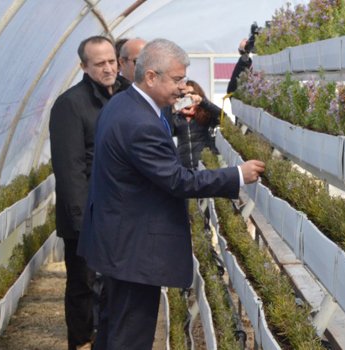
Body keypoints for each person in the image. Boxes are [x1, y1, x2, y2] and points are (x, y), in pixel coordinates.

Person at [78, 38, 265, 350]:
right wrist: (237, 175)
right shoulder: (139, 122)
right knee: (129, 338)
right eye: (177, 80)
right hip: (133, 249)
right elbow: (178, 180)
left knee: (114, 330)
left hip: (118, 241)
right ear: (151, 76)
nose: (183, 87)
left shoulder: (125, 105)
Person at [49, 36, 130, 350]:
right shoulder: (71, 104)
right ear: (84, 66)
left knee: (115, 288)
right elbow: (70, 171)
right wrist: (84, 225)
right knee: (85, 288)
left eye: (112, 61)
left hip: (120, 214)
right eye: (100, 64)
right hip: (87, 218)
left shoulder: (126, 96)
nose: (109, 68)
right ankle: (83, 343)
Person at [171, 80, 223, 169]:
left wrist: (202, 102)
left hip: (207, 165)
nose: (187, 97)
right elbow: (164, 130)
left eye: (191, 94)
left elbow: (222, 117)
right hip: (185, 167)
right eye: (184, 95)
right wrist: (171, 110)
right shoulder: (177, 116)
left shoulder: (205, 112)